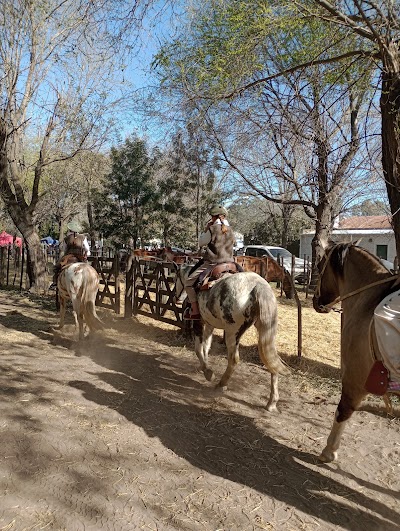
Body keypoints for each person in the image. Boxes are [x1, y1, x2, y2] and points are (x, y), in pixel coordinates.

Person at [184, 204, 235, 320]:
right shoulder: (231, 230)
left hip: (213, 263)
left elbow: (201, 242)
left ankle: (195, 311)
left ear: (214, 217)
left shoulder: (212, 229)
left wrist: (206, 229)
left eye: (211, 217)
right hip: (230, 263)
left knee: (188, 283)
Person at [49, 220, 91, 289]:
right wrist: (87, 254)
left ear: (70, 229)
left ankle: (55, 283)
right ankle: (90, 282)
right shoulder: (83, 237)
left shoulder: (67, 238)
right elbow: (87, 249)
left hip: (69, 256)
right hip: (80, 256)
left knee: (57, 267)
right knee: (87, 267)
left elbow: (65, 250)